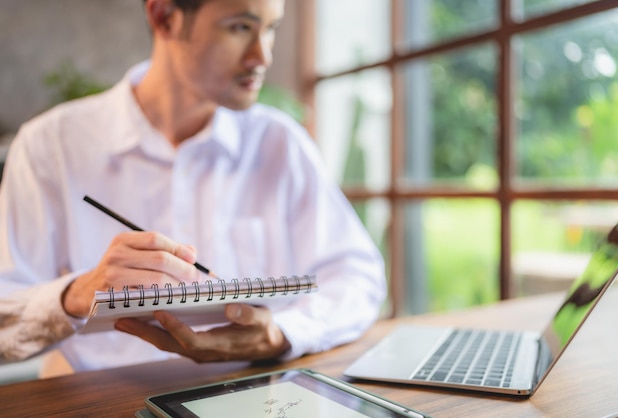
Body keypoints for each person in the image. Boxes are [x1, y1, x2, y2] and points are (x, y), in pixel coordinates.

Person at [0, 0, 386, 376]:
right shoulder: (49, 146)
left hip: (250, 394)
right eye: (240, 27)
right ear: (165, 17)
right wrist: (77, 294)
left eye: (271, 29)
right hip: (99, 397)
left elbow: (357, 278)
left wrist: (284, 333)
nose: (263, 56)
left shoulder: (280, 143)